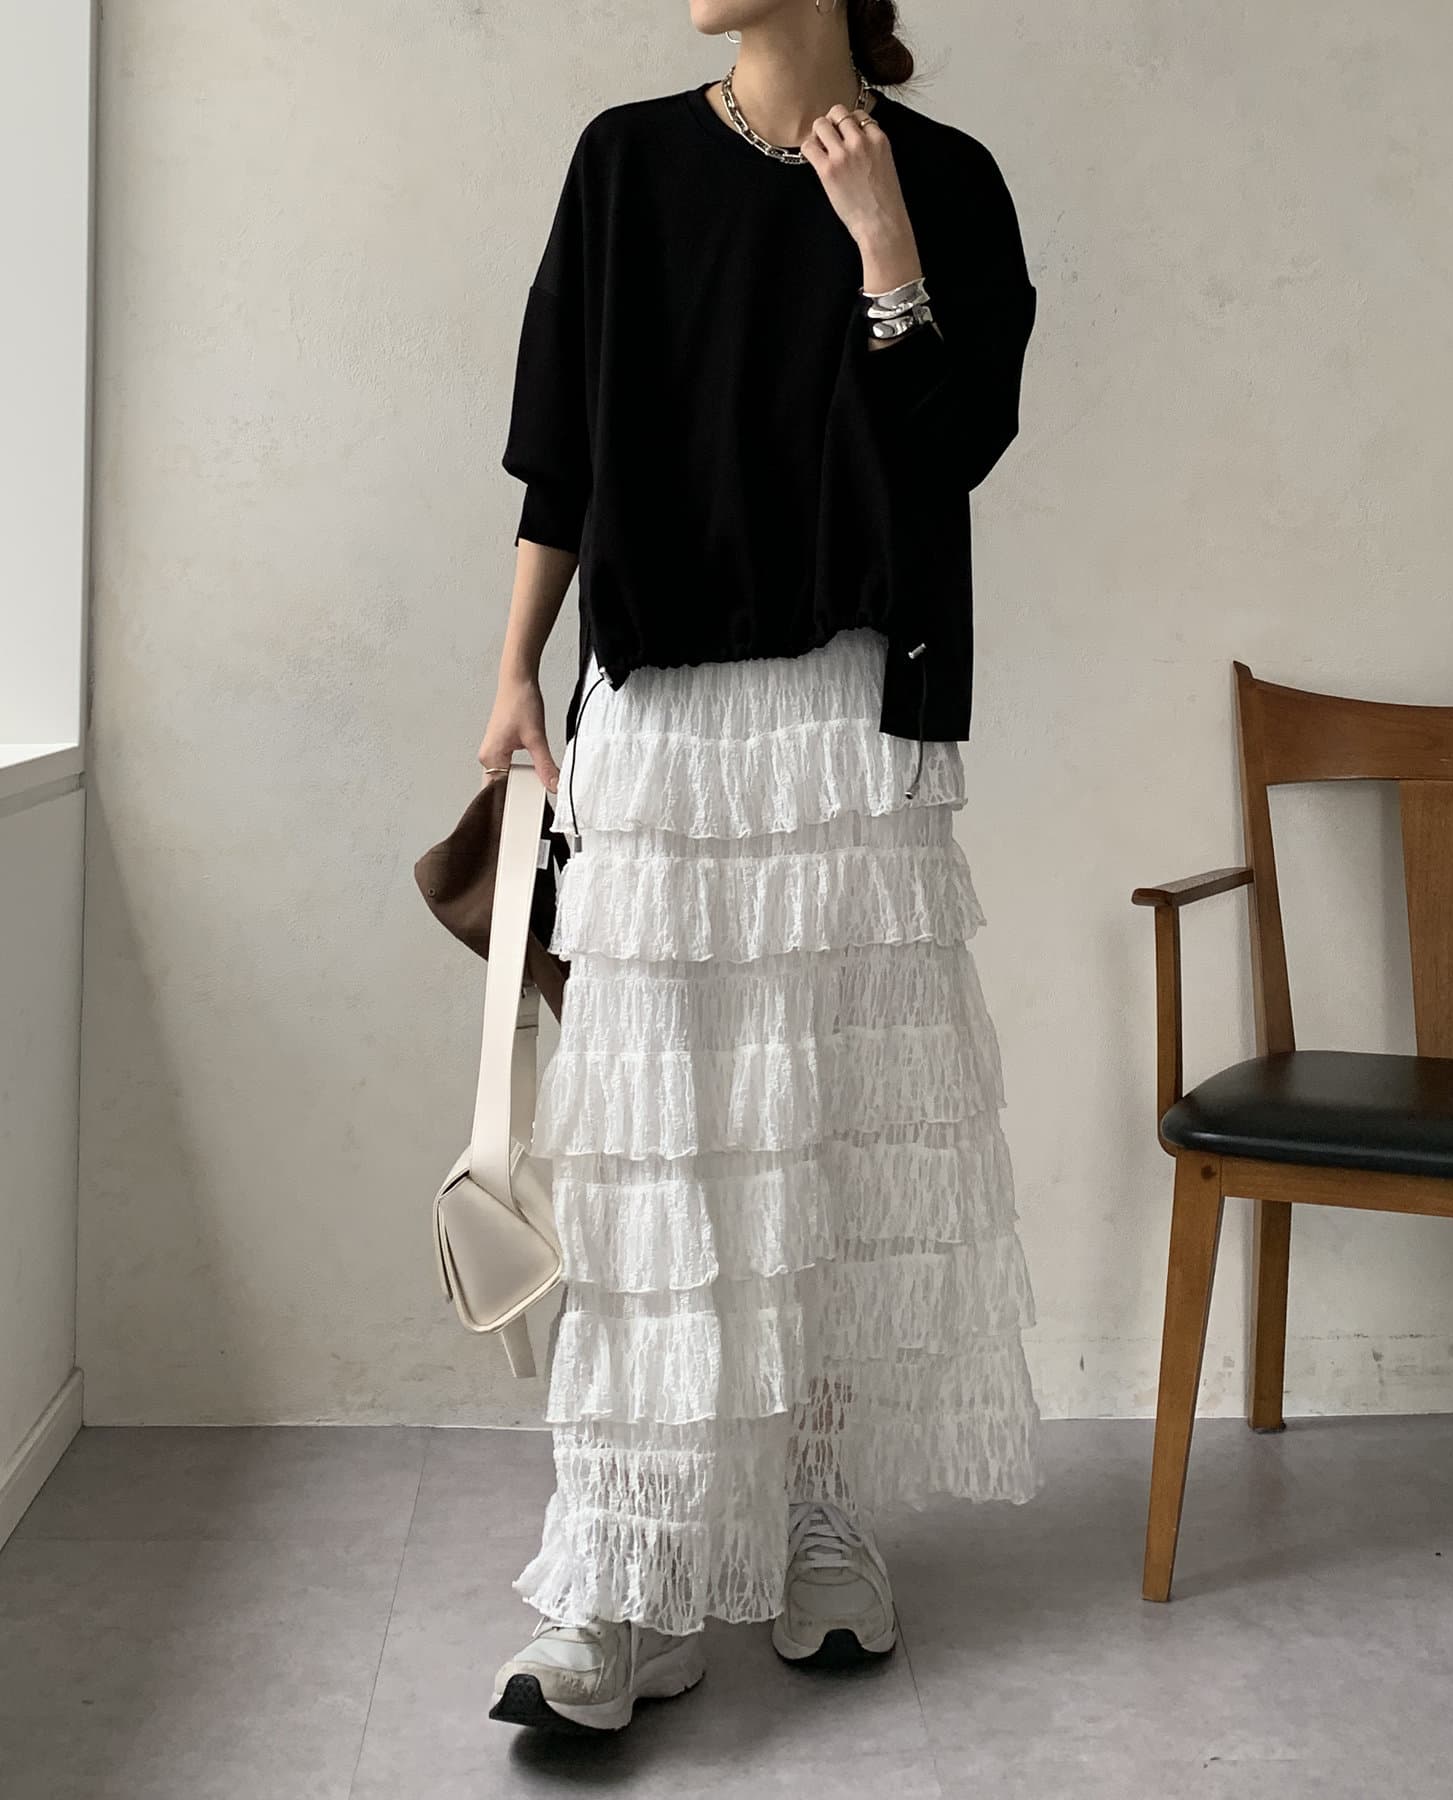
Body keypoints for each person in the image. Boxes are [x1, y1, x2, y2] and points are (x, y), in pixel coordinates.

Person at [478, 0, 1042, 1734]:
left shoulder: (947, 177)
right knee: (654, 1156)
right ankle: (627, 1576)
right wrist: (513, 666)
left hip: (849, 718)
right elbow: (562, 442)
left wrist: (883, 244)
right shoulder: (625, 162)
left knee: (822, 1134)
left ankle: (815, 1515)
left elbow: (956, 442)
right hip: (658, 705)